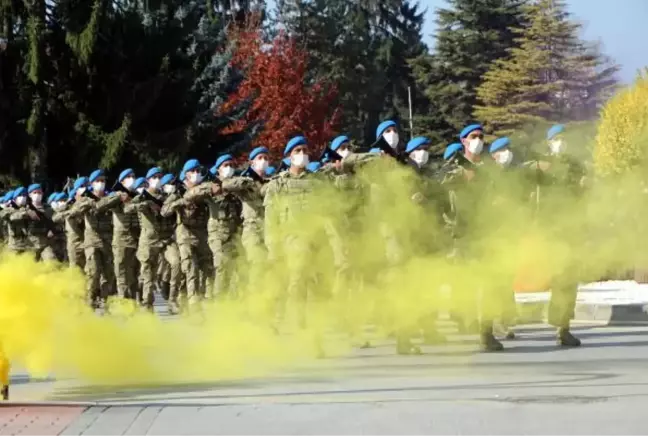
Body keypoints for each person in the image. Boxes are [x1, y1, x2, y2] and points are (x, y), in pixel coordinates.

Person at [161, 159, 218, 309]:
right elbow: (164, 211)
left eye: (198, 171)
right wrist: (179, 203)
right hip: (185, 236)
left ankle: (203, 301)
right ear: (185, 175)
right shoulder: (178, 192)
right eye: (192, 171)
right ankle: (193, 308)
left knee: (209, 270)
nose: (196, 174)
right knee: (191, 270)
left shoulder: (205, 189)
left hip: (203, 235)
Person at [112, 169, 140, 302]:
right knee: (121, 274)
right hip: (121, 242)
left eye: (133, 176)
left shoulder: (137, 195)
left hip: (137, 240)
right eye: (128, 177)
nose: (132, 179)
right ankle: (123, 304)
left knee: (134, 274)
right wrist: (118, 197)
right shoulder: (117, 196)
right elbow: (101, 205)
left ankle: (133, 302)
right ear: (121, 181)